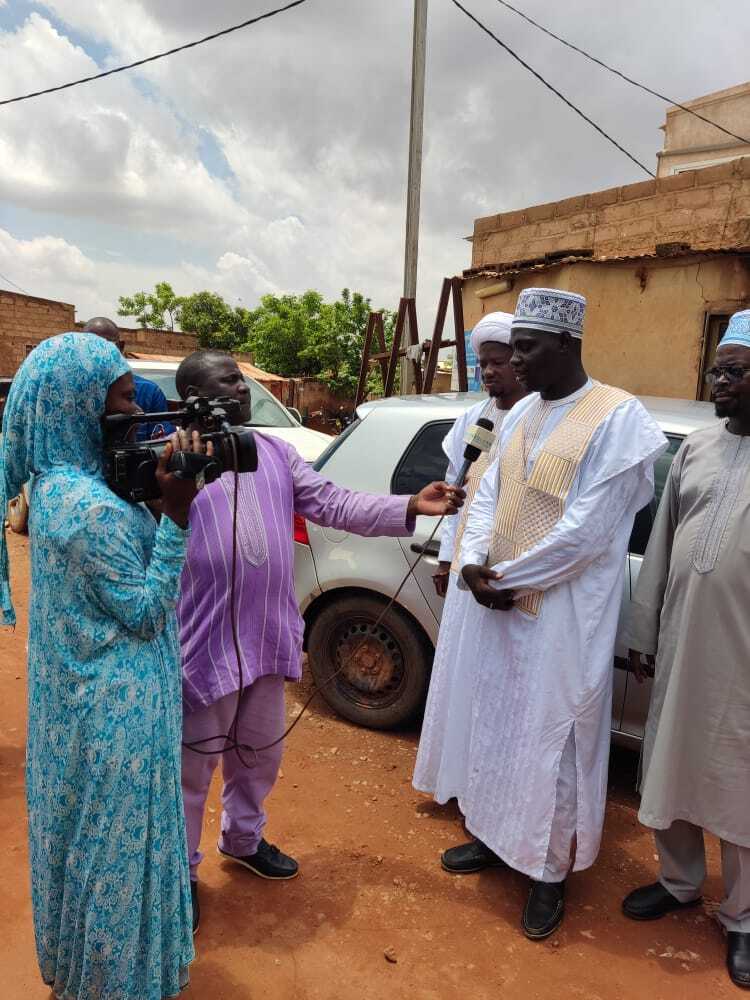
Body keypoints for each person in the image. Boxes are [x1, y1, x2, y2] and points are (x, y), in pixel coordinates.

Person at [175, 349, 465, 933]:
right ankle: (181, 871)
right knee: (192, 769)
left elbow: (333, 502)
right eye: (227, 381)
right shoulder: (175, 463)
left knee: (259, 755)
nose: (240, 389)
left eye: (241, 381)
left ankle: (243, 839)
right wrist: (178, 475)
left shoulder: (276, 454)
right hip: (202, 643)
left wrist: (408, 503)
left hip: (266, 636)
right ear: (194, 398)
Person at [447, 287, 667, 940]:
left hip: (564, 619)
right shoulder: (519, 414)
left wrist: (502, 578)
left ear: (567, 345)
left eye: (527, 349)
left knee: (554, 741)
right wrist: (474, 561)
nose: (515, 362)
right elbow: (487, 491)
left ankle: (548, 873)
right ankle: (490, 833)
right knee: (497, 723)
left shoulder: (617, 417)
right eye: (512, 348)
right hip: (501, 607)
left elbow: (587, 532)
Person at [0, 332, 205, 998]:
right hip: (117, 712)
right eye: (120, 397)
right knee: (119, 858)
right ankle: (118, 982)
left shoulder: (59, 488)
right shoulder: (88, 511)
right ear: (80, 403)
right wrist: (176, 514)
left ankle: (89, 973)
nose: (136, 409)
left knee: (84, 848)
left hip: (82, 699)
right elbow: (147, 610)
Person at [621, 309, 750, 990]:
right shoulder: (697, 449)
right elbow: (664, 543)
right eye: (718, 368)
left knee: (740, 784)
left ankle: (744, 919)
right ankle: (678, 882)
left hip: (745, 660)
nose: (717, 379)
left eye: (734, 370)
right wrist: (644, 632)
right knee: (667, 763)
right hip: (682, 642)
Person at [412, 311, 526, 805]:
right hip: (465, 569)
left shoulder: (540, 419)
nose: (491, 373)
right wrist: (445, 559)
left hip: (509, 574)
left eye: (499, 362)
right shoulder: (471, 421)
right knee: (459, 674)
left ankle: (490, 791)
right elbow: (457, 491)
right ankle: (454, 781)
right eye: (485, 364)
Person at [83, 315, 175, 440]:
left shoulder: (149, 393)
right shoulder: (70, 396)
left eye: (130, 397)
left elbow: (163, 445)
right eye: (91, 348)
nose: (100, 356)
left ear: (121, 347)